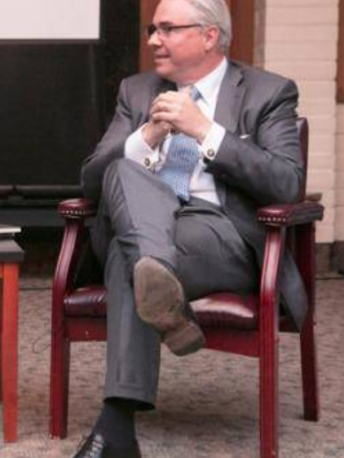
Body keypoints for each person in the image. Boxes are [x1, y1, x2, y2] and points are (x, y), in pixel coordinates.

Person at [74, 0, 305, 457]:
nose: (153, 40)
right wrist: (147, 138)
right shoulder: (136, 91)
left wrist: (207, 132)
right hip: (144, 224)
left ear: (209, 36)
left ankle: (117, 429)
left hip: (216, 235)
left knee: (129, 254)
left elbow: (287, 183)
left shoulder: (268, 91)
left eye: (167, 29)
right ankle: (155, 277)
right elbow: (90, 180)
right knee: (124, 175)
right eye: (151, 29)